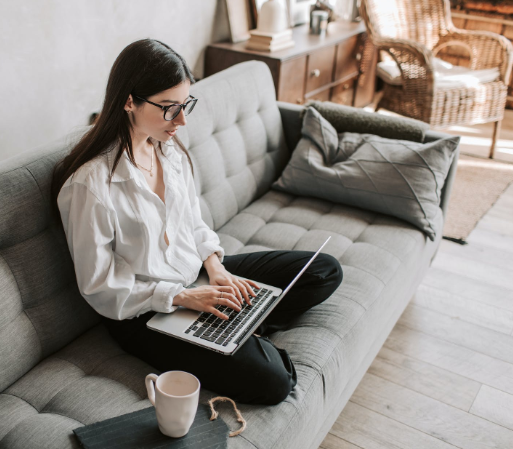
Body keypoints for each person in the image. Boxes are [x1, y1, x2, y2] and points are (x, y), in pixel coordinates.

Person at [51, 38, 343, 405]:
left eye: (185, 104)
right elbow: (100, 287)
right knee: (275, 382)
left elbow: (193, 222)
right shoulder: (90, 184)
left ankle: (235, 324)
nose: (183, 120)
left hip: (196, 277)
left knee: (324, 270)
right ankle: (236, 328)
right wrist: (183, 297)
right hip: (144, 311)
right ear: (129, 101)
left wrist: (216, 267)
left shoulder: (167, 149)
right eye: (170, 108)